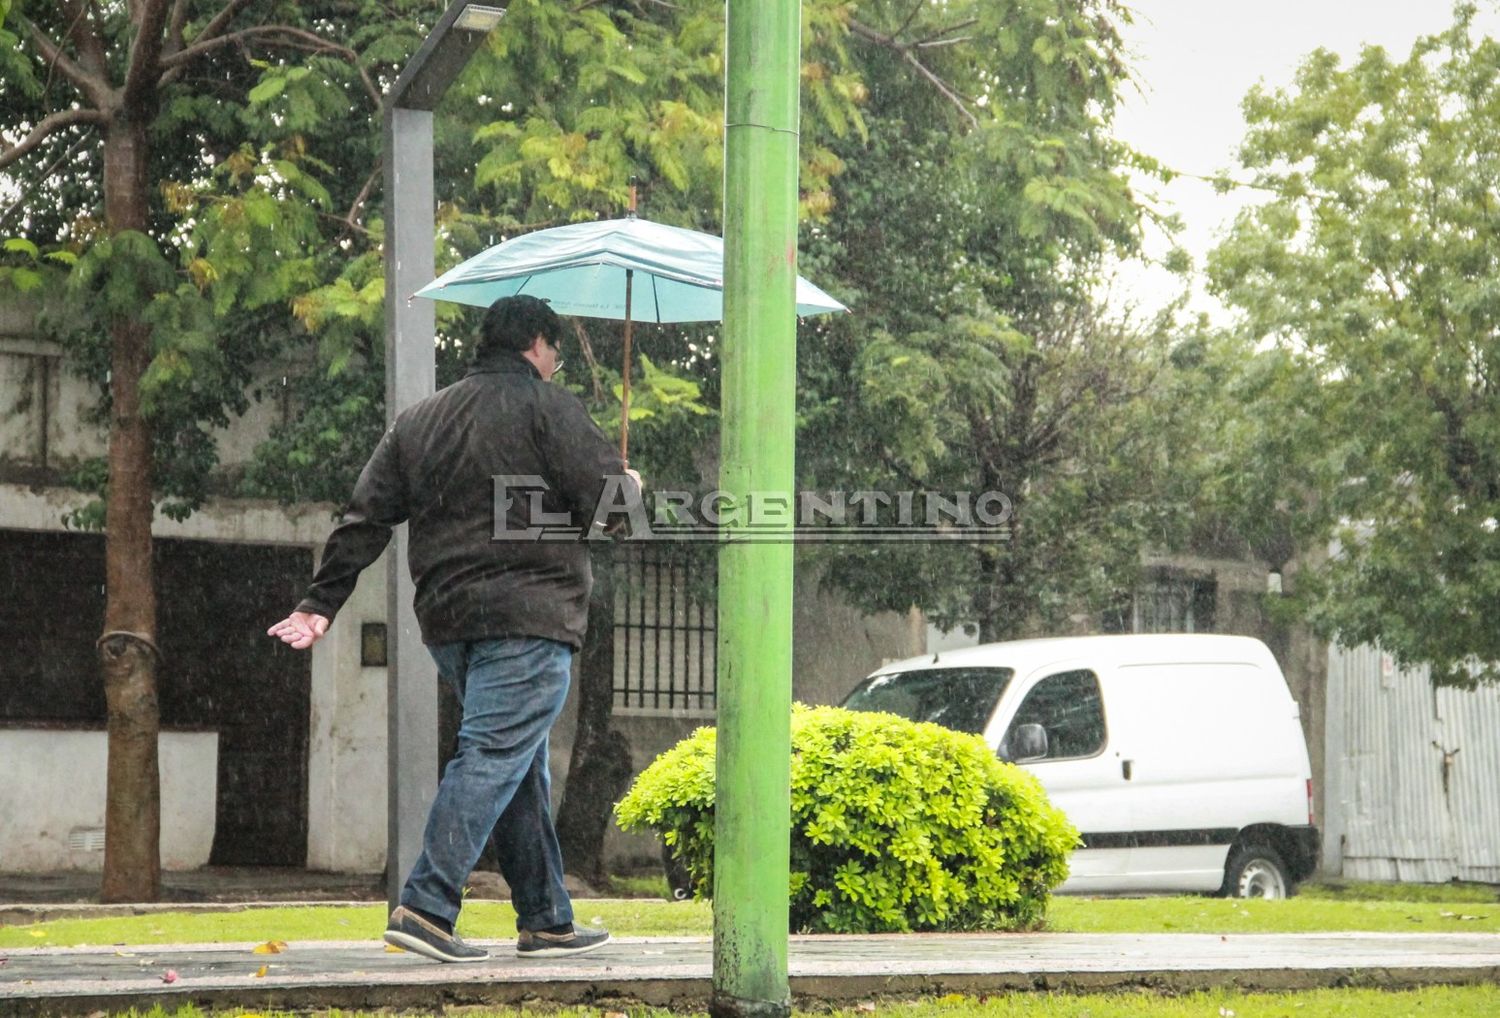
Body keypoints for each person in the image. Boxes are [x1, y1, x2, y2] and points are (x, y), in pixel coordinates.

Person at [268, 295, 640, 963]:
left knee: (516, 765)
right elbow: (617, 516)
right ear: (536, 343)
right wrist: (630, 484)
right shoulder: (551, 409)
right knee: (494, 757)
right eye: (554, 351)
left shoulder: (420, 421)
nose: (554, 364)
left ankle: (547, 919)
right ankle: (427, 906)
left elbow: (365, 519)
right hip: (529, 617)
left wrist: (320, 602)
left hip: (449, 623)